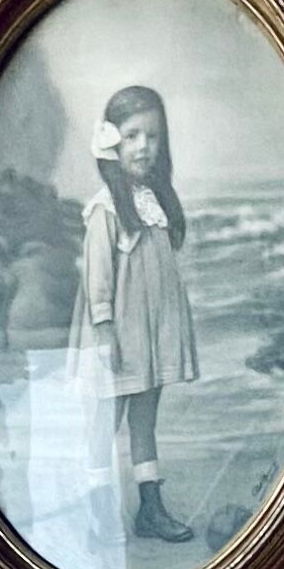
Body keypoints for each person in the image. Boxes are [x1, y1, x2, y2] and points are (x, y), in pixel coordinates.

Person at [72, 84, 200, 543]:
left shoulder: (155, 201)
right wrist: (105, 335)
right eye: (132, 135)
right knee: (105, 422)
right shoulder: (106, 209)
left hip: (150, 337)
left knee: (145, 421)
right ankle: (99, 513)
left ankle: (150, 507)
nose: (144, 145)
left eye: (153, 136)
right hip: (119, 338)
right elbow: (98, 280)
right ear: (112, 143)